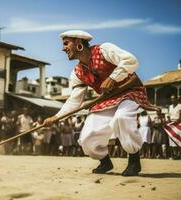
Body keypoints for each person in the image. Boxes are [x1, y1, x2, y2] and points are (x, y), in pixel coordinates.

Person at [44, 30, 155, 176]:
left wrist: (114, 78)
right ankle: (105, 162)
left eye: (66, 43)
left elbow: (131, 60)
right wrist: (56, 117)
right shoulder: (77, 73)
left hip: (130, 92)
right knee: (87, 138)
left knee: (121, 118)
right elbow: (74, 102)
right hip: (107, 99)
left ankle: (134, 161)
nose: (62, 48)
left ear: (78, 43)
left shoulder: (104, 50)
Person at [168, 95, 181, 159]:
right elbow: (169, 116)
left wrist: (175, 122)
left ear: (176, 99)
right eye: (171, 99)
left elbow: (180, 118)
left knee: (178, 140)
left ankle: (179, 155)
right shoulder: (170, 107)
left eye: (173, 99)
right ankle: (174, 154)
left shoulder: (180, 106)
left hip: (178, 124)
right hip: (171, 125)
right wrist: (169, 122)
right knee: (172, 140)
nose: (172, 100)